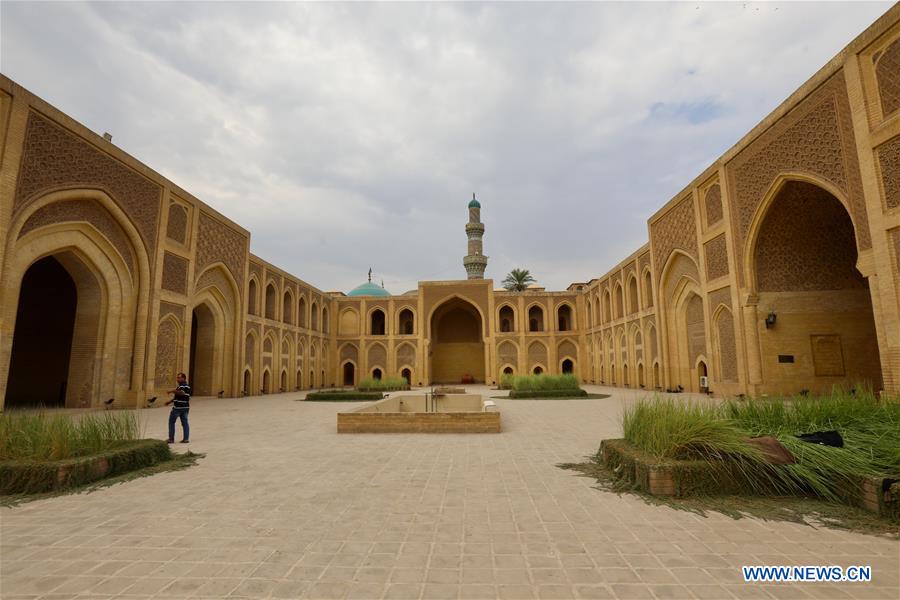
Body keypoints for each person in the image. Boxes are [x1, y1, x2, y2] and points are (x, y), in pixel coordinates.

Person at [165, 372, 191, 443]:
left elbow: (182, 393)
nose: (177, 379)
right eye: (177, 377)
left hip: (178, 408)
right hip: (185, 408)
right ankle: (186, 439)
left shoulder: (184, 386)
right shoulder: (183, 386)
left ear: (183, 378)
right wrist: (169, 402)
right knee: (185, 423)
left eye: (179, 377)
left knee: (171, 422)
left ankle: (171, 439)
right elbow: (178, 397)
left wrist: (172, 391)